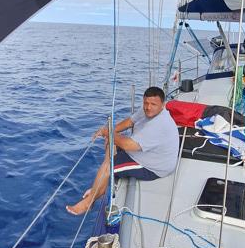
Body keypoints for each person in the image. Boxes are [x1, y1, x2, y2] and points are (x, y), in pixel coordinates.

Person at [66, 86, 179, 215]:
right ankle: (99, 188)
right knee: (111, 141)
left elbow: (127, 145)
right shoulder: (148, 111)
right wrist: (111, 131)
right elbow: (129, 122)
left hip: (152, 167)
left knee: (109, 165)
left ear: (162, 105)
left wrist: (107, 133)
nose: (148, 107)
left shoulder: (160, 124)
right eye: (146, 103)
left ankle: (89, 202)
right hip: (143, 153)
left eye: (153, 104)